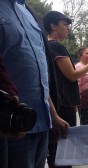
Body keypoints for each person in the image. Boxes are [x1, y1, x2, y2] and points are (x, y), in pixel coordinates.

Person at [0, 1, 69, 168]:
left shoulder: (29, 13)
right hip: (11, 128)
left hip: (41, 123)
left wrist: (53, 115)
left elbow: (40, 78)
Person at [43, 11, 88, 168]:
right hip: (63, 105)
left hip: (55, 103)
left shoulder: (46, 46)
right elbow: (72, 75)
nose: (67, 27)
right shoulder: (56, 47)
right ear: (53, 26)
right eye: (64, 24)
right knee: (64, 151)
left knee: (56, 150)